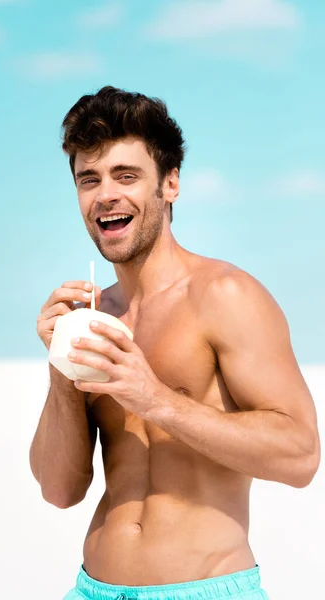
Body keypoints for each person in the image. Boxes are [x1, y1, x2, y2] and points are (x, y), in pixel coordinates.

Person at [30, 86, 321, 600]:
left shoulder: (225, 295)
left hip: (204, 588)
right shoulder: (94, 319)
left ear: (170, 184)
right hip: (91, 588)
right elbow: (59, 490)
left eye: (126, 176)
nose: (105, 195)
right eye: (88, 180)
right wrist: (59, 368)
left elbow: (300, 457)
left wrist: (156, 399)